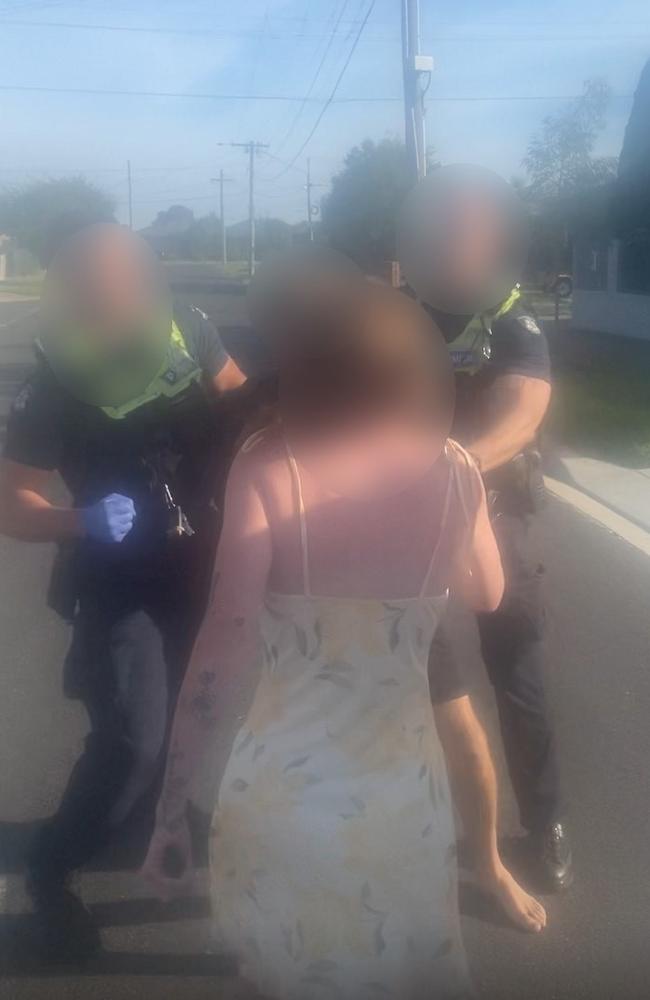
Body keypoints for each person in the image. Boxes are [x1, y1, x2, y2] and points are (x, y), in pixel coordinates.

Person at [143, 280, 508, 999]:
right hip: (404, 794)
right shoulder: (458, 468)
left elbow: (225, 640)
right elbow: (488, 593)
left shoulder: (271, 463)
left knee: (288, 972)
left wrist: (169, 808)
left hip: (283, 786)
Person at [0, 222, 245, 959]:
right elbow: (12, 502)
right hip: (116, 579)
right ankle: (49, 870)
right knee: (132, 739)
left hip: (200, 567)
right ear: (73, 298)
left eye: (126, 286)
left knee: (187, 713)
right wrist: (78, 519)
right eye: (95, 293)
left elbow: (244, 414)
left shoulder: (190, 332)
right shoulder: (52, 383)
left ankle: (160, 810)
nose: (117, 303)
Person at [399, 167, 572, 891]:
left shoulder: (512, 319)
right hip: (403, 521)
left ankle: (546, 822)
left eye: (471, 233)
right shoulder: (393, 311)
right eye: (445, 231)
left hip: (490, 515)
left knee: (517, 672)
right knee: (410, 676)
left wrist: (454, 463)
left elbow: (521, 414)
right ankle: (417, 813)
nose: (457, 245)